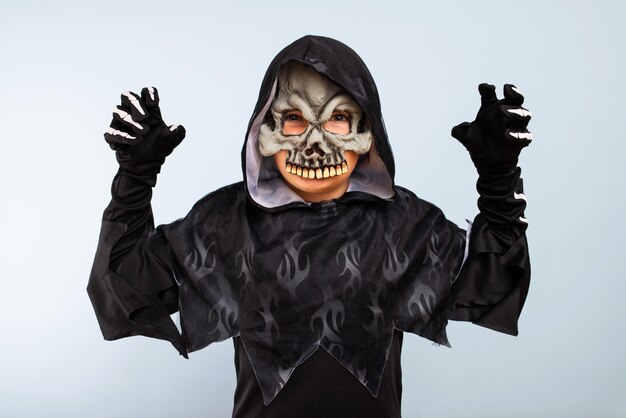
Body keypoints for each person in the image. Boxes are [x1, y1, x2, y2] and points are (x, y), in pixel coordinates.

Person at [88, 35, 532, 418]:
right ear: (264, 130)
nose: (315, 143)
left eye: (338, 118)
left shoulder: (406, 225)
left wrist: (497, 180)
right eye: (294, 119)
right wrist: (134, 178)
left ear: (366, 132)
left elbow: (491, 285)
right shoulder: (225, 224)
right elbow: (122, 287)